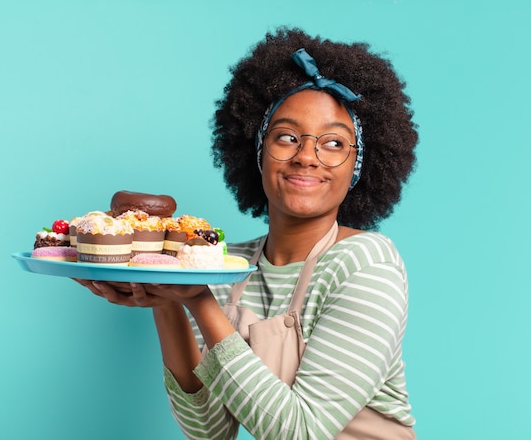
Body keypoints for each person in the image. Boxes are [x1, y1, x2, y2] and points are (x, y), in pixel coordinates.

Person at [76, 27, 419, 439]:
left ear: (359, 166)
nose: (306, 156)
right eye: (287, 137)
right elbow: (210, 431)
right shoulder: (226, 266)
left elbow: (301, 433)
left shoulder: (368, 265)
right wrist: (165, 300)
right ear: (258, 150)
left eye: (333, 143)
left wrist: (200, 301)